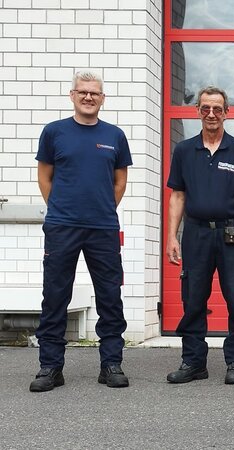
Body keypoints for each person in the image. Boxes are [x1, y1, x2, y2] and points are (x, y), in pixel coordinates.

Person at [31, 70, 133, 392]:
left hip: (103, 228)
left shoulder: (115, 136)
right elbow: (45, 176)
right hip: (62, 227)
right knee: (55, 295)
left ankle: (111, 363)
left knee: (109, 296)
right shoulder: (54, 133)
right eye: (83, 92)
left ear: (103, 98)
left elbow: (120, 181)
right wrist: (62, 208)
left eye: (95, 93)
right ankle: (50, 367)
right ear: (72, 95)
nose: (88, 97)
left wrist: (102, 208)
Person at [165, 86, 234, 385]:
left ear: (226, 113)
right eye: (205, 108)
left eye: (217, 109)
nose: (211, 114)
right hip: (195, 234)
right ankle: (194, 362)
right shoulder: (184, 150)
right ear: (197, 111)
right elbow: (178, 196)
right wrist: (172, 236)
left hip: (231, 233)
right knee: (193, 300)